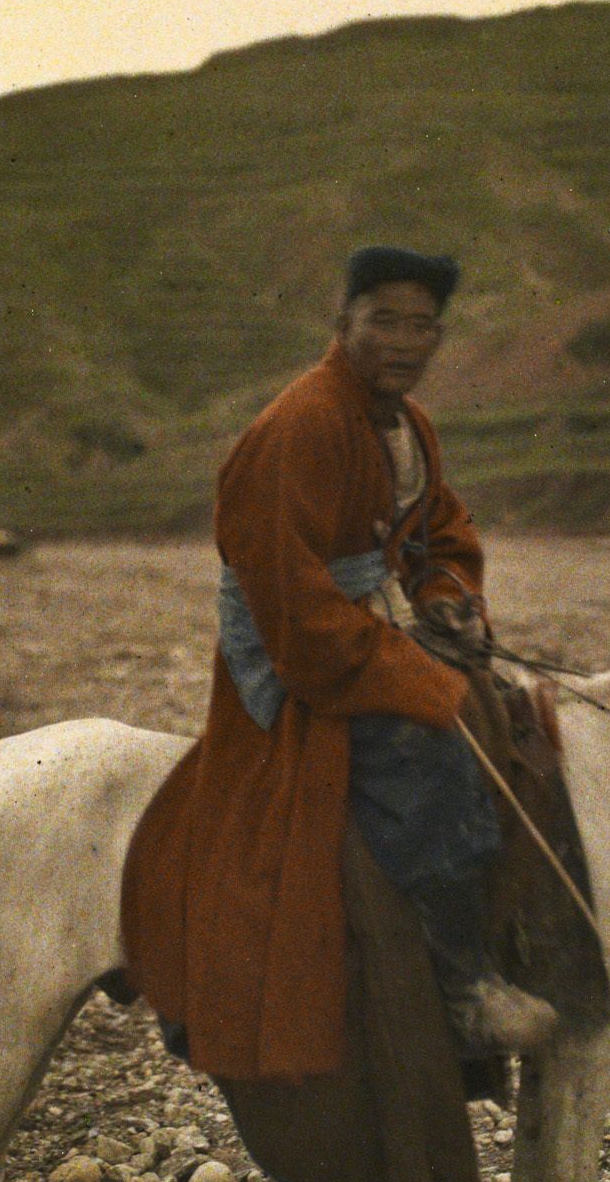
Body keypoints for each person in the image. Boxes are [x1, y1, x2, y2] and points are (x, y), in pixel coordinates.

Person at [120, 246, 559, 1087]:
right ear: (343, 324)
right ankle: (459, 988)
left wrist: (445, 599)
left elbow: (440, 535)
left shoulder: (407, 425)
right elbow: (286, 593)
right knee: (428, 743)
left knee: (503, 710)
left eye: (422, 324)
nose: (405, 339)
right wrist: (404, 667)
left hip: (368, 620)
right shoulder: (300, 424)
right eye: (384, 319)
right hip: (289, 643)